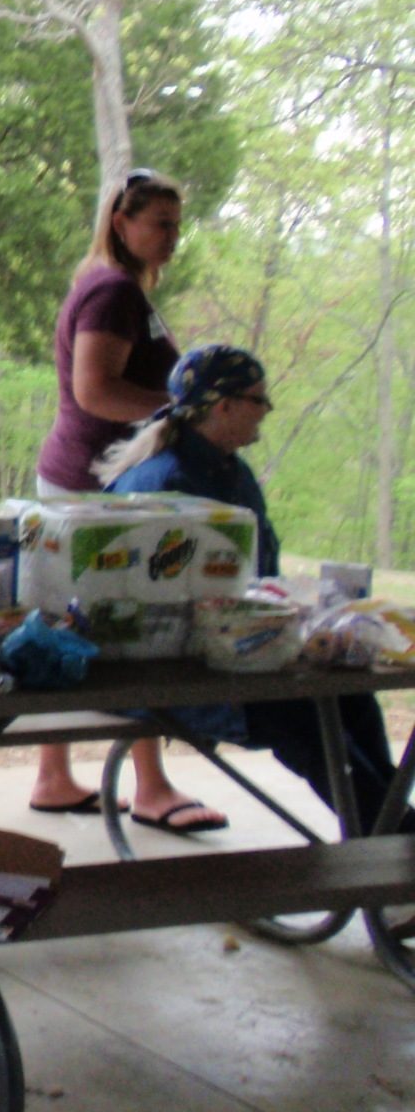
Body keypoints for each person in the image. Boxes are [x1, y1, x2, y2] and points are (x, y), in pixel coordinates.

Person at [99, 344, 412, 840]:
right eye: (258, 399)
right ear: (224, 406)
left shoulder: (231, 471)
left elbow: (259, 578)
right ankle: (389, 837)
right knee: (301, 715)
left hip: (235, 648)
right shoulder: (167, 483)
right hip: (173, 667)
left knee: (350, 693)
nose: (266, 410)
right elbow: (166, 606)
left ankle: (386, 828)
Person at [30, 170, 226, 832]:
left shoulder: (119, 289)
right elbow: (95, 391)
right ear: (121, 222)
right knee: (139, 631)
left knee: (71, 623)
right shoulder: (112, 291)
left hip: (85, 480)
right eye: (161, 223)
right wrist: (183, 411)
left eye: (178, 224)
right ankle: (151, 787)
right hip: (94, 485)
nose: (173, 236)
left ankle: (54, 777)